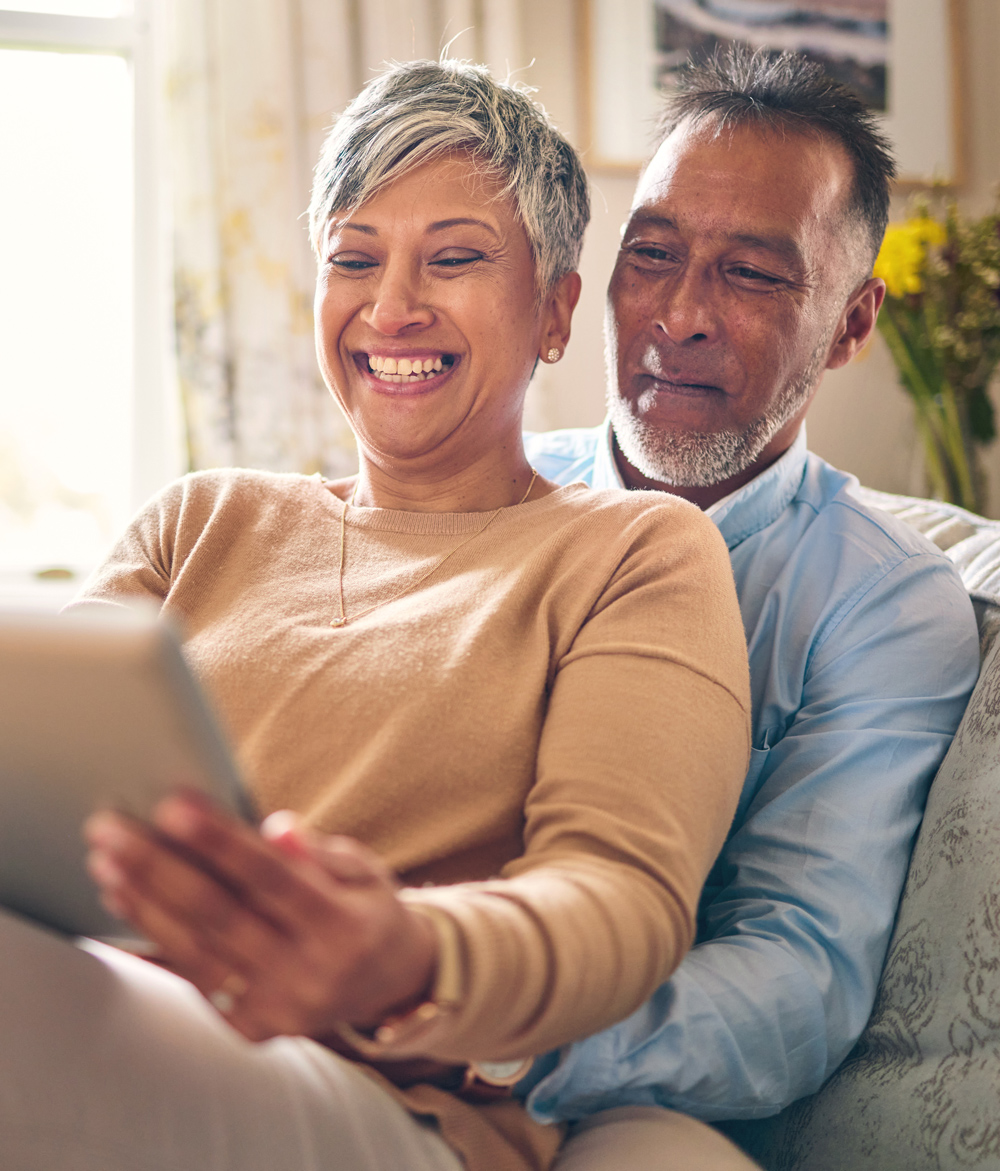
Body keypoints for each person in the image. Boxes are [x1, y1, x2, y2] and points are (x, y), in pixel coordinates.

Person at [0, 61, 754, 1171]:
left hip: (373, 1102)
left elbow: (622, 901)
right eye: (353, 258)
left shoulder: (630, 552)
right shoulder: (198, 521)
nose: (391, 307)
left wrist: (407, 952)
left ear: (552, 309)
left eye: (453, 259)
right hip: (113, 1001)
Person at [521, 47, 981, 1159]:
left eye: (754, 276)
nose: (677, 316)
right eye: (653, 256)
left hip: (627, 1103)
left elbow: (796, 978)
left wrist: (494, 1034)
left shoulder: (882, 605)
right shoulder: (491, 490)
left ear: (851, 323)